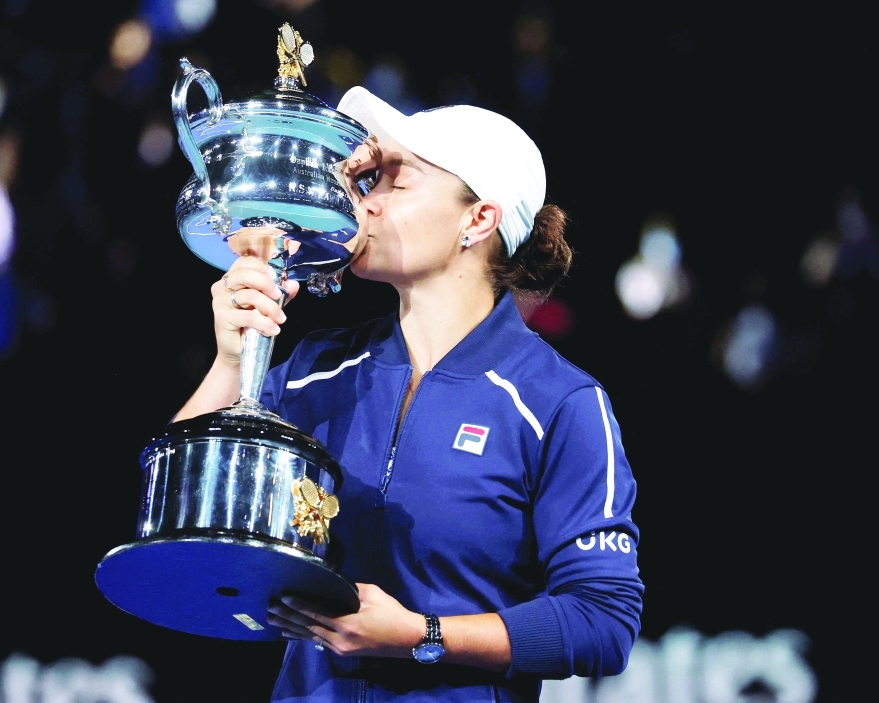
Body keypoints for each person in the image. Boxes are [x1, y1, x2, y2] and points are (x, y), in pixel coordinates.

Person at [174, 87, 643, 703]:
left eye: (394, 183)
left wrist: (421, 636)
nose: (361, 206)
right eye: (367, 183)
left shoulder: (559, 403)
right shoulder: (317, 368)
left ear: (478, 220)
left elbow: (603, 623)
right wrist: (232, 361)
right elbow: (187, 515)